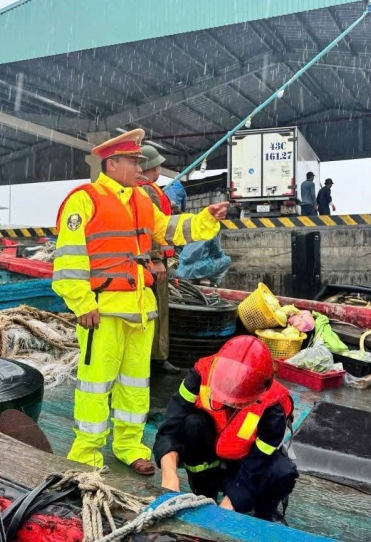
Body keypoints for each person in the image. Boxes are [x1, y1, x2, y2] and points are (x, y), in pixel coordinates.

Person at [52, 128, 229, 476]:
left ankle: (129, 446)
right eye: (133, 161)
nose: (140, 167)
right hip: (102, 312)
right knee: (95, 386)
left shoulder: (141, 201)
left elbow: (169, 230)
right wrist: (82, 304)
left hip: (140, 311)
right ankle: (86, 453)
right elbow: (69, 260)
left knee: (135, 384)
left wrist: (206, 219)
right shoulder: (84, 200)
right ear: (112, 163)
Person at [154, 336, 298, 521]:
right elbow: (171, 427)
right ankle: (204, 492)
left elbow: (258, 460)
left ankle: (263, 513)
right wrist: (169, 476)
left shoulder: (273, 406)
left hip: (244, 463)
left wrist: (232, 501)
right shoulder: (201, 374)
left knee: (282, 471)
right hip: (209, 455)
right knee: (192, 424)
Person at [136, 144, 180, 375]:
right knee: (158, 309)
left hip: (144, 260)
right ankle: (157, 357)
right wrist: (156, 259)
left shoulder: (141, 190)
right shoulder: (149, 191)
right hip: (152, 261)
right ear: (153, 167)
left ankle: (149, 355)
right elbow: (150, 228)